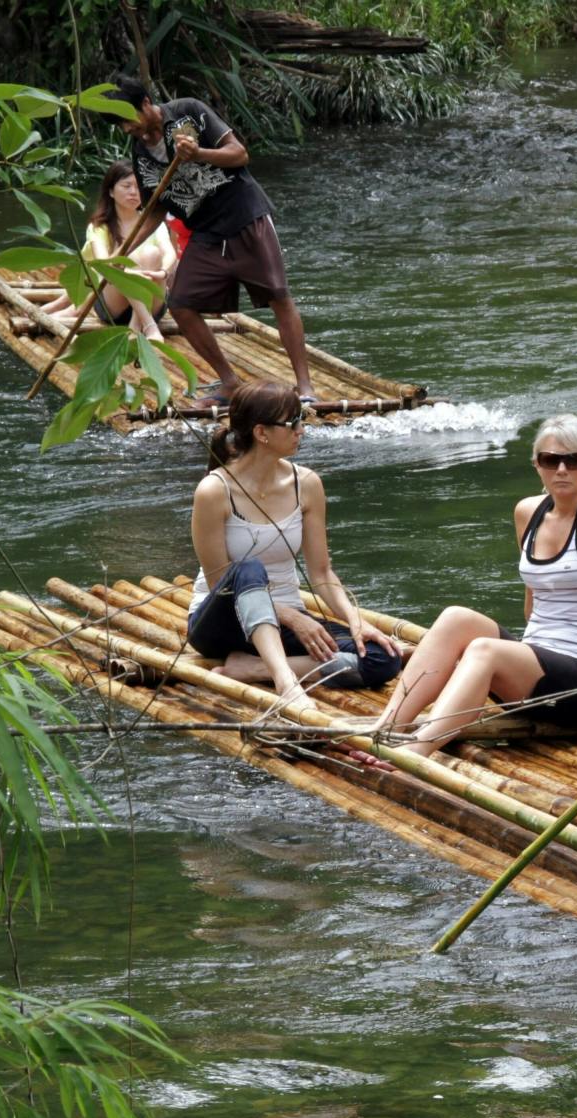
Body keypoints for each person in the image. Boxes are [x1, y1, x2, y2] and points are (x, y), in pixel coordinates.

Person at [375, 415, 577, 756]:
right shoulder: (527, 511)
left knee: (484, 649)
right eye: (550, 460)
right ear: (536, 465)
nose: (561, 469)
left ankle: (413, 753)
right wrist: (519, 661)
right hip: (535, 669)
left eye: (574, 460)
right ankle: (386, 728)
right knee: (455, 618)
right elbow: (534, 600)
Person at [187, 381, 401, 749]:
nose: (303, 429)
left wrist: (354, 619)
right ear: (261, 433)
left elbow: (321, 573)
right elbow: (221, 580)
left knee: (381, 659)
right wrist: (291, 617)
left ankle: (254, 668)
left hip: (279, 623)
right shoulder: (214, 490)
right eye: (293, 422)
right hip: (220, 622)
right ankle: (286, 682)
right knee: (247, 569)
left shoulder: (307, 484)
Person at [102, 76, 318, 411]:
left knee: (278, 296)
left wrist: (200, 153)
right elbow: (155, 208)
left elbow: (239, 154)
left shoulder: (189, 112)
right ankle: (229, 382)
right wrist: (121, 252)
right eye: (119, 124)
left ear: (146, 103)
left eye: (127, 118)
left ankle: (304, 385)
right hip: (205, 231)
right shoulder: (140, 153)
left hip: (245, 216)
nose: (127, 128)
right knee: (182, 304)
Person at [39, 160, 176, 341]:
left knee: (151, 253)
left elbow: (170, 253)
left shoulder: (153, 222)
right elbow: (105, 265)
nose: (134, 192)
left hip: (152, 302)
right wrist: (132, 275)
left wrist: (163, 273)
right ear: (111, 191)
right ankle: (147, 326)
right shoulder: (99, 227)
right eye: (127, 186)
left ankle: (138, 323)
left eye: (138, 187)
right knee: (128, 257)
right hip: (114, 306)